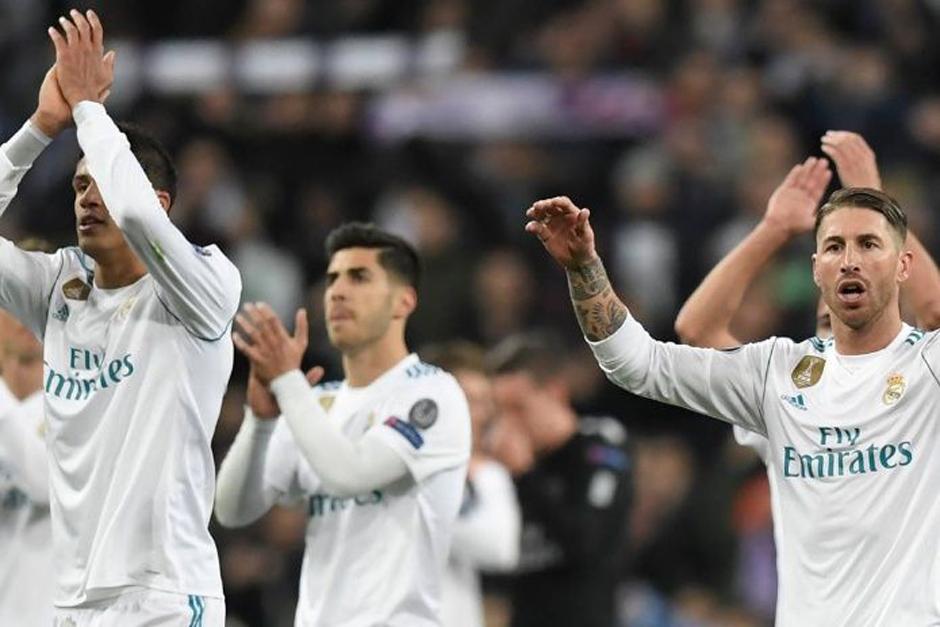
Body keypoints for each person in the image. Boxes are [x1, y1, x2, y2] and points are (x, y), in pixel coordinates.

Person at [525, 186, 940, 625]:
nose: (849, 260)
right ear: (817, 269)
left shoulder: (929, 366)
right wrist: (584, 267)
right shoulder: (774, 372)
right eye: (834, 246)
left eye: (869, 244)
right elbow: (637, 364)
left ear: (903, 266)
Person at [0, 11, 241, 625]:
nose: (86, 196)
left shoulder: (204, 286)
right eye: (78, 186)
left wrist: (88, 111)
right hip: (72, 599)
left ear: (160, 202)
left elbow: (135, 217)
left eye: (99, 182)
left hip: (164, 594)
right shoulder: (57, 286)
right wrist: (37, 130)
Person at [215, 222, 471, 626]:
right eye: (333, 278)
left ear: (403, 301)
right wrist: (260, 421)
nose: (337, 291)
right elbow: (233, 509)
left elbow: (352, 474)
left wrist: (286, 381)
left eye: (359, 277)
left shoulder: (433, 394)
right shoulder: (317, 401)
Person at [487, 332, 632, 627]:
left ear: (555, 392)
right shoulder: (498, 468)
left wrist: (526, 474)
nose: (509, 424)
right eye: (500, 412)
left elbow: (586, 541)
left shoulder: (599, 444)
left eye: (518, 408)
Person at [422, 340, 521, 627]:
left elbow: (500, 548)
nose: (480, 414)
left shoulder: (487, 476)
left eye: (484, 402)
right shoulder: (391, 463)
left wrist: (420, 508)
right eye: (468, 400)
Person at [0, 241, 53, 626]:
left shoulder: (76, 404)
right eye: (12, 297)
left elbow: (41, 483)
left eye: (35, 298)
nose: (23, 313)